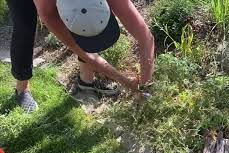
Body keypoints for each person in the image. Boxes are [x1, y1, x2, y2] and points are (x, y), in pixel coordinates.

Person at [6, 0, 155, 113]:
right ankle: (22, 88)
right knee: (24, 28)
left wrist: (145, 85)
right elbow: (79, 48)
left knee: (88, 26)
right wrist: (126, 82)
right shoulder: (48, 11)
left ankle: (86, 81)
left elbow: (145, 37)